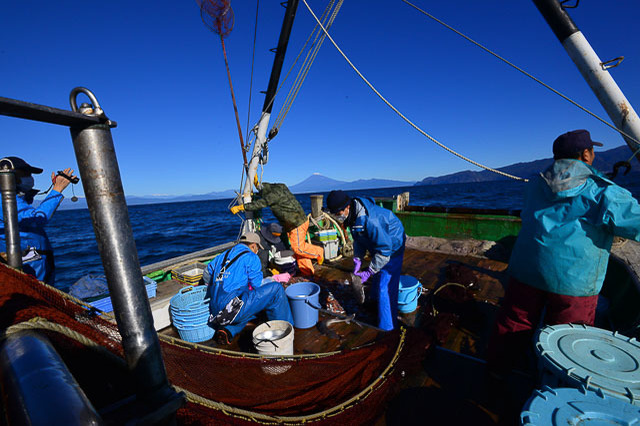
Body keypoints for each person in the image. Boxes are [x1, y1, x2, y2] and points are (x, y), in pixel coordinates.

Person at [486, 129, 640, 378]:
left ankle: (497, 373)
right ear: (587, 154)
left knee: (514, 322)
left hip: (527, 270)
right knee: (569, 338)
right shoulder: (603, 192)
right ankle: (553, 386)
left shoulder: (535, 184)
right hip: (573, 282)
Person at [326, 190, 406, 331]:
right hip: (379, 244)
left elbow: (385, 252)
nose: (338, 217)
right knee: (377, 274)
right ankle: (375, 302)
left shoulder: (371, 221)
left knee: (385, 287)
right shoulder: (352, 217)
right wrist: (357, 259)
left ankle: (387, 327)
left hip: (393, 245)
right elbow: (359, 240)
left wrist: (369, 270)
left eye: (338, 214)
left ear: (347, 207)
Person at [0, 156, 77, 288]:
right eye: (26, 173)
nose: (30, 177)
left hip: (33, 262)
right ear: (10, 176)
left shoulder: (13, 199)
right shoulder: (4, 200)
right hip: (27, 264)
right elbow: (37, 219)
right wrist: (57, 190)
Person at [203, 232, 293, 345]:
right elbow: (258, 285)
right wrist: (272, 279)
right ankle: (285, 330)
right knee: (276, 289)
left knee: (248, 302)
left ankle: (228, 330)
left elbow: (206, 274)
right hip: (231, 308)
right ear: (253, 245)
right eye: (257, 249)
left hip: (215, 310)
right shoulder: (251, 257)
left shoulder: (224, 255)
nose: (257, 251)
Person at [231, 180, 324, 275]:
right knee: (300, 251)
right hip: (295, 223)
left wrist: (241, 207)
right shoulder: (280, 187)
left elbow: (260, 203)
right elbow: (267, 196)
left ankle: (319, 252)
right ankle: (307, 271)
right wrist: (258, 190)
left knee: (298, 248)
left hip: (297, 223)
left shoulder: (272, 196)